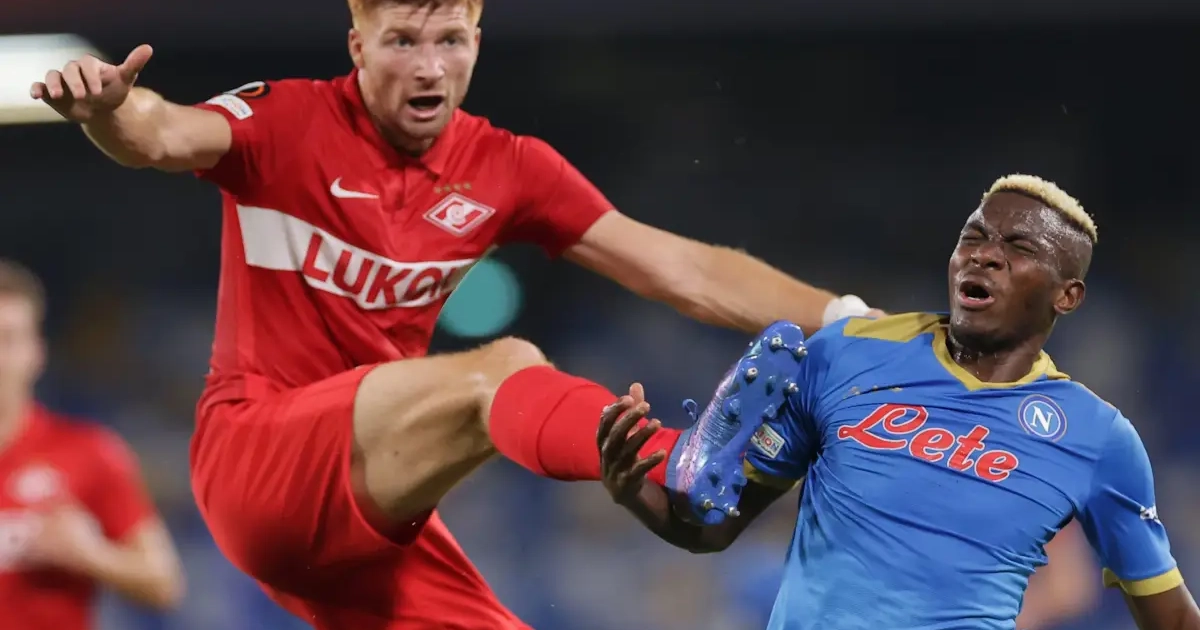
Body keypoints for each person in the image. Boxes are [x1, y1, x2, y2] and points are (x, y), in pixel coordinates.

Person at [29, 0, 879, 626]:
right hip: (260, 461)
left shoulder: (506, 166)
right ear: (358, 46)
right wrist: (109, 110)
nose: (429, 66)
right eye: (402, 41)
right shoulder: (286, 121)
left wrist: (852, 318)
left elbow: (682, 268)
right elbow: (161, 133)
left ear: (477, 40)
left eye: (450, 40)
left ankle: (692, 477)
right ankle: (679, 464)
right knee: (501, 369)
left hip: (375, 504)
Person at [596, 175, 1200, 629]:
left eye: (1018, 247)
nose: (984, 254)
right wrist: (634, 492)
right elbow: (711, 529)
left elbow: (1170, 616)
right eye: (973, 237)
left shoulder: (1096, 437)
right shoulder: (844, 353)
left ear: (1067, 296)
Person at [0, 259, 185, 629]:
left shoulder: (88, 452)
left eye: (7, 339)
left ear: (37, 352)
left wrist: (91, 554)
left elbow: (166, 583)